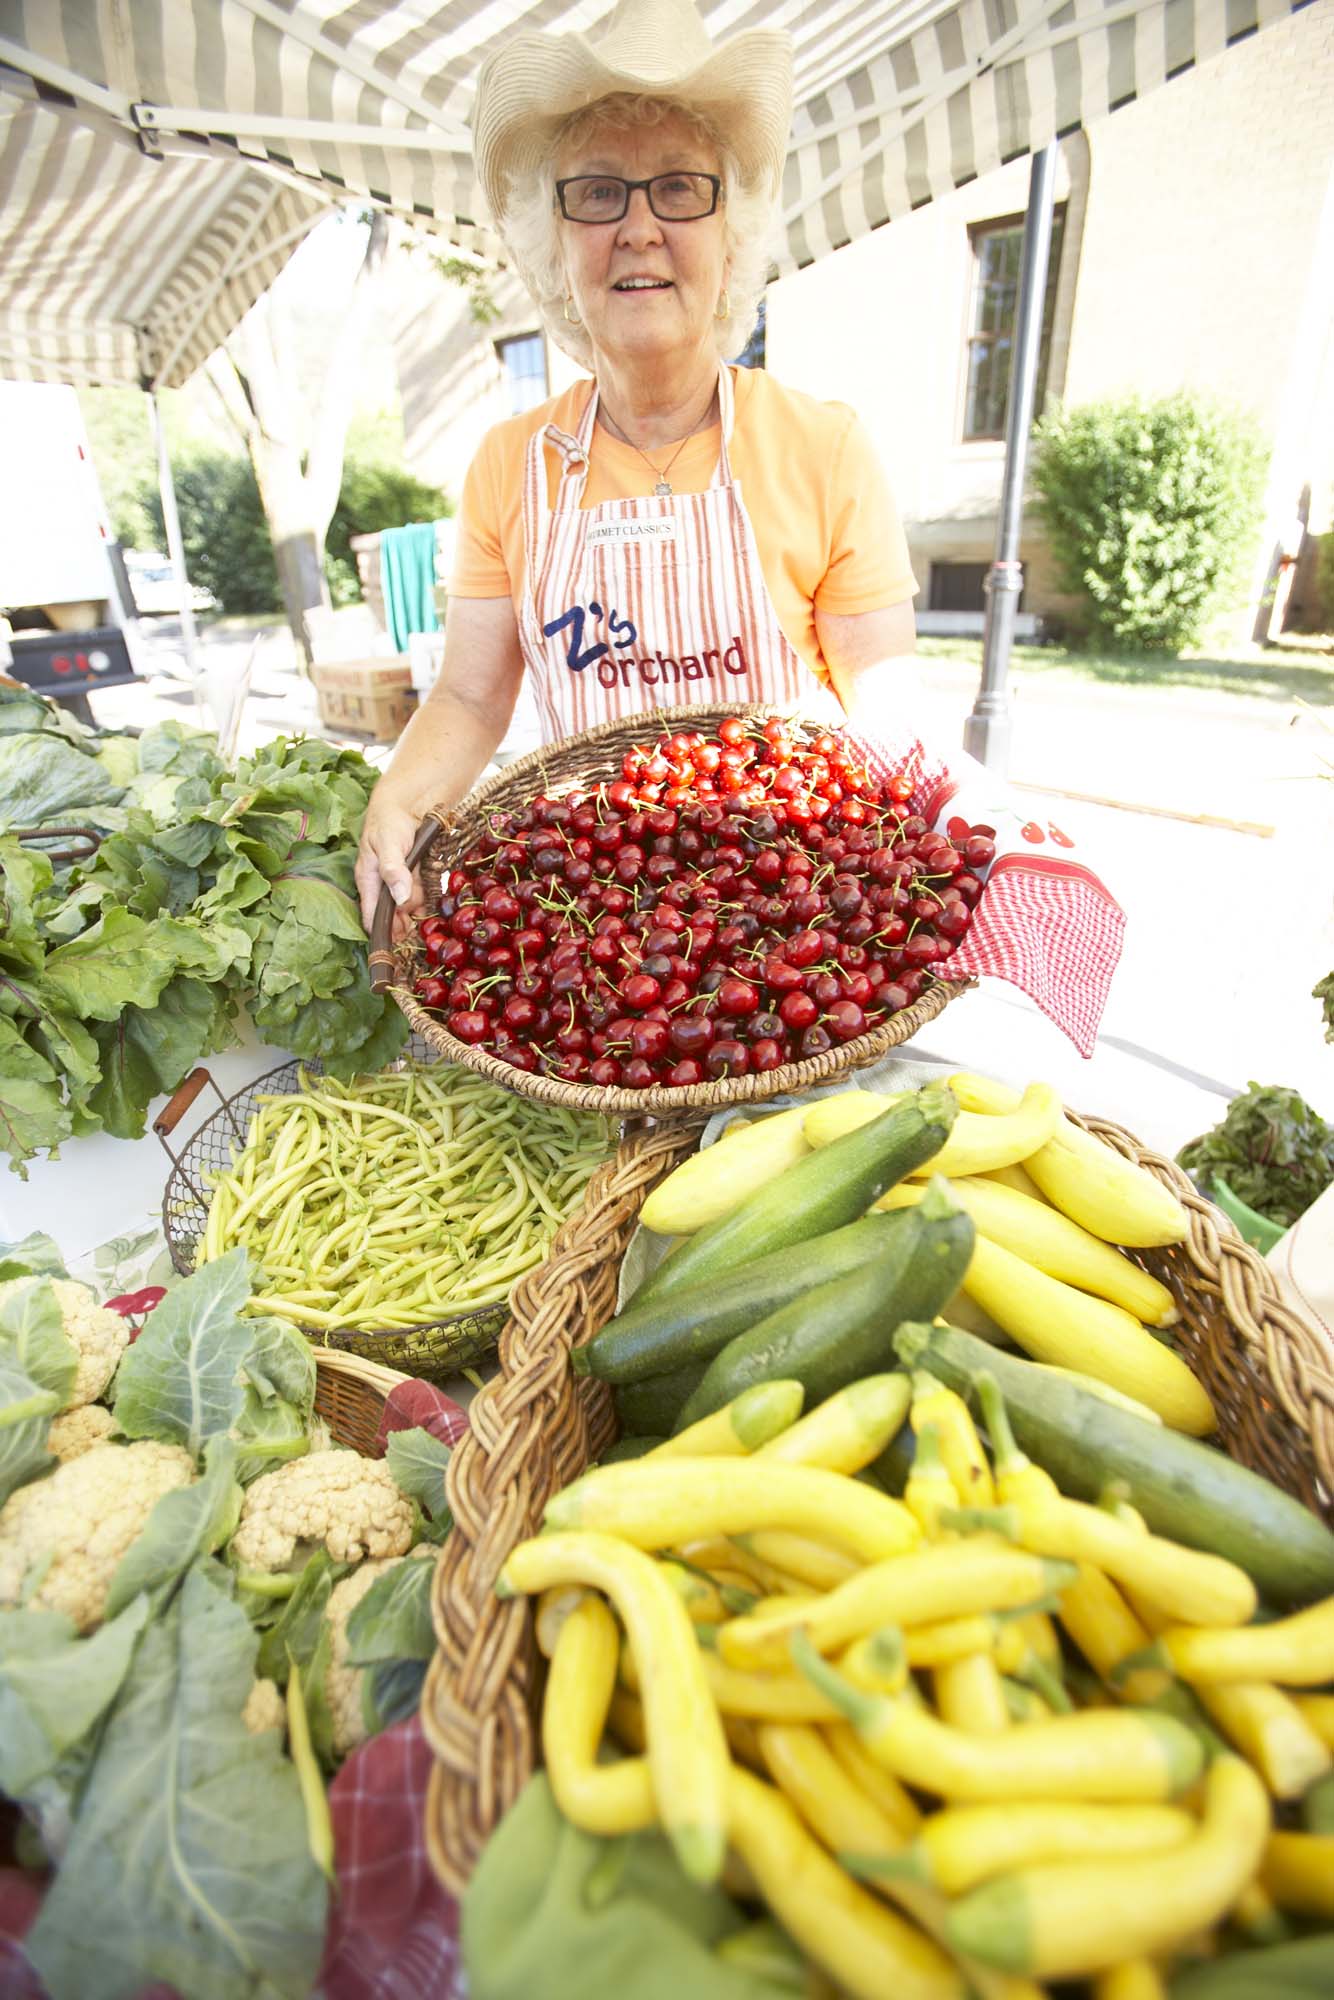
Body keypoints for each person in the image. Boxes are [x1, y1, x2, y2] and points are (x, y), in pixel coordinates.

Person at [355, 0, 918, 932]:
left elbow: (884, 688)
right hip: (602, 926)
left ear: (731, 234)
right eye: (599, 192)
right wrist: (400, 794)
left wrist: (938, 826)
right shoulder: (510, 465)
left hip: (786, 914)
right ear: (557, 244)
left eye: (680, 189)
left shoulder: (825, 446)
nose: (640, 227)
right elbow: (467, 693)